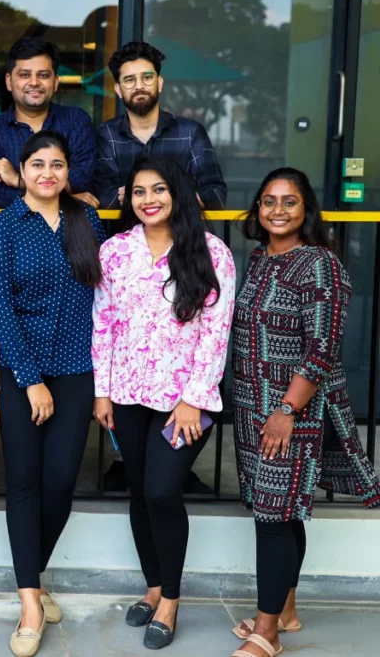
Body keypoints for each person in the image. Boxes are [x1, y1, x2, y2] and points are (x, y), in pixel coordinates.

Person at [228, 168, 380, 657]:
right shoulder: (258, 260)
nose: (277, 210)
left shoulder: (319, 265)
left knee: (274, 516)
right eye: (268, 201)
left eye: (289, 202)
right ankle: (286, 610)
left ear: (306, 209)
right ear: (257, 210)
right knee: (279, 512)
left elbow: (321, 348)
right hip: (253, 406)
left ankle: (267, 632)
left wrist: (287, 409)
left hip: (293, 411)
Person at [91, 155, 235, 650]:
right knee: (137, 491)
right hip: (128, 394)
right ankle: (153, 588)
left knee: (161, 491)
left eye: (158, 190)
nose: (148, 200)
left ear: (176, 192)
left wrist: (195, 399)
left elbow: (217, 334)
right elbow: (104, 323)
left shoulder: (211, 253)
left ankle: (171, 599)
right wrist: (102, 391)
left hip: (184, 402)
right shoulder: (114, 251)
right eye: (138, 192)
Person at [0, 130, 106, 657]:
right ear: (22, 171)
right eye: (37, 164)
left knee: (60, 483)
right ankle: (30, 601)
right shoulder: (4, 227)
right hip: (19, 372)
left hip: (77, 370)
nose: (47, 173)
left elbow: (104, 297)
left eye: (56, 164)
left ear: (67, 171)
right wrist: (30, 380)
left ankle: (31, 574)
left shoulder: (87, 221)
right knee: (25, 484)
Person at [92, 41, 226, 210]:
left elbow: (216, 195)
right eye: (129, 80)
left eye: (147, 77)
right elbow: (103, 198)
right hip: (124, 234)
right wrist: (185, 196)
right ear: (118, 90)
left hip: (182, 235)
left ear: (160, 83)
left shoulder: (190, 133)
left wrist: (150, 194)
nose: (139, 86)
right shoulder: (105, 135)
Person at [0, 37, 99, 209]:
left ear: (56, 82)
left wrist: (18, 180)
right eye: (25, 75)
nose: (34, 82)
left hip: (70, 232)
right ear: (9, 81)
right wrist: (68, 197)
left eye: (43, 75)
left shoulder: (76, 121)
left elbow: (82, 180)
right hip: (14, 234)